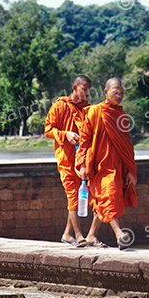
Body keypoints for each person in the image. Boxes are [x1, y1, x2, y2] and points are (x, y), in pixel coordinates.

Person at [76, 77, 137, 250]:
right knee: (108, 197)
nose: (119, 96)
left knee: (104, 200)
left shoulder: (121, 116)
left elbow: (127, 146)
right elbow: (85, 140)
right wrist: (81, 164)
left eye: (121, 93)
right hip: (98, 166)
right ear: (105, 92)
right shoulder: (94, 112)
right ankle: (120, 234)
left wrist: (131, 170)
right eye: (115, 92)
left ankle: (91, 235)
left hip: (117, 166)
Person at [44, 75, 93, 247]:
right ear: (75, 87)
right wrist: (66, 134)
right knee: (73, 195)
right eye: (84, 89)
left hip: (82, 160)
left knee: (82, 196)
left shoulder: (87, 109)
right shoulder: (60, 106)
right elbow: (48, 130)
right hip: (65, 158)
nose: (87, 93)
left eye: (88, 90)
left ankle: (67, 234)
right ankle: (79, 236)